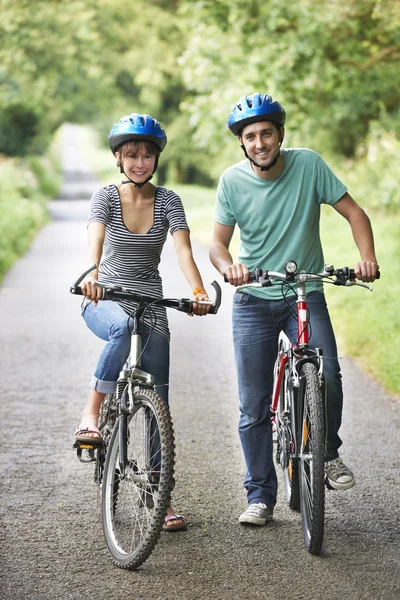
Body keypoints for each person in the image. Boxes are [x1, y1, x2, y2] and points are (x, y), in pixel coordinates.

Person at [209, 92, 379, 526]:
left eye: (267, 133)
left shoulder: (309, 165)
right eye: (251, 137)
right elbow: (216, 244)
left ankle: (327, 454)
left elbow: (355, 213)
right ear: (242, 143)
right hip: (253, 299)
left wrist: (367, 258)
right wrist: (230, 268)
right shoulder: (231, 181)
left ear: (280, 135)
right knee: (253, 406)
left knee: (330, 372)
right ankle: (260, 495)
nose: (260, 142)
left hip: (303, 292)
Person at [75, 112, 210, 531]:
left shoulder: (169, 200)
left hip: (149, 301)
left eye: (146, 155)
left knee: (158, 404)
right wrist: (92, 275)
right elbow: (95, 239)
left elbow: (184, 252)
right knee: (120, 329)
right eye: (131, 154)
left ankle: (158, 495)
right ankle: (91, 414)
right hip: (105, 297)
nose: (139, 162)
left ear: (156, 159)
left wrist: (199, 291)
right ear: (118, 157)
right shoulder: (106, 197)